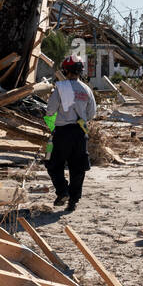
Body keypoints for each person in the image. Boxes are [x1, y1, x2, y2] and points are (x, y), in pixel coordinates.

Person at [45, 56, 97, 213]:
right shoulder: (87, 89)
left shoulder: (60, 88)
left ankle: (62, 191)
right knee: (78, 168)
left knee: (53, 164)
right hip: (80, 133)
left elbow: (50, 111)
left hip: (62, 132)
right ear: (81, 71)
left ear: (65, 71)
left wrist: (54, 121)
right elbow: (91, 113)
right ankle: (73, 201)